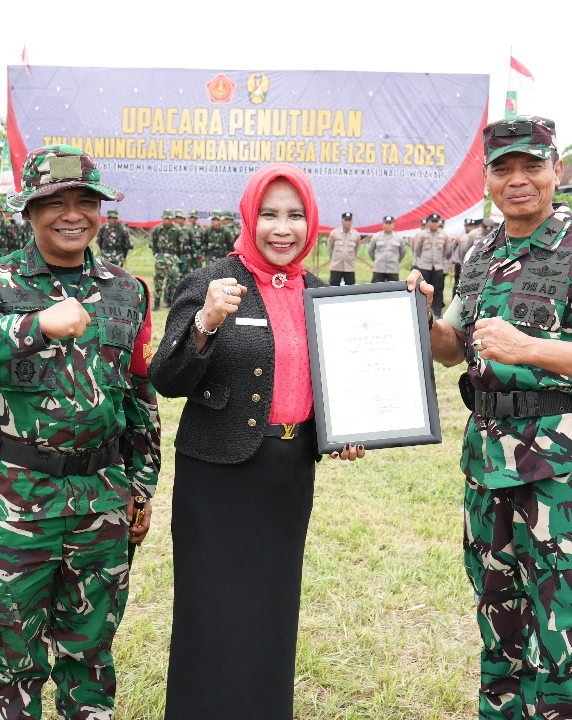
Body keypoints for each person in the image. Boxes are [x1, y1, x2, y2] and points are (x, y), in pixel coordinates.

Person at [416, 115, 572, 719]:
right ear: (488, 178)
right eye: (503, 168)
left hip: (560, 475)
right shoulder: (481, 254)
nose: (518, 180)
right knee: (501, 631)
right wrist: (421, 318)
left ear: (557, 170)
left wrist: (529, 347)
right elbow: (454, 348)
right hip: (486, 466)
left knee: (562, 637)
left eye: (532, 166)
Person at [0, 143, 159, 720]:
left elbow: (138, 395)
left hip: (101, 498)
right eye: (55, 202)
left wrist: (142, 486)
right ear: (29, 210)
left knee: (91, 649)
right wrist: (33, 326)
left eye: (86, 202)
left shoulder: (126, 290)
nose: (72, 215)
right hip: (17, 500)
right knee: (12, 649)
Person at [150, 162, 363, 720]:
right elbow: (166, 378)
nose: (282, 228)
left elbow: (329, 383)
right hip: (217, 478)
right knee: (211, 611)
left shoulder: (320, 294)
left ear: (311, 222)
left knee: (271, 610)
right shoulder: (212, 282)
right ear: (249, 216)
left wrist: (345, 431)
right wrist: (205, 322)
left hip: (287, 475)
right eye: (269, 214)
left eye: (295, 215)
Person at [412, 212, 455, 317]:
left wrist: (440, 258)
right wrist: (422, 259)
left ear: (439, 222)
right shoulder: (422, 234)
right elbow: (417, 249)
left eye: (436, 221)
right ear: (428, 222)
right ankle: (423, 311)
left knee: (438, 289)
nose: (434, 224)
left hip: (438, 267)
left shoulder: (444, 235)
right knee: (423, 289)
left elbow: (448, 250)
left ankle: (437, 312)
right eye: (432, 221)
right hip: (424, 266)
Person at [149, 209, 182, 310]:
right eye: (166, 218)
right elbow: (152, 242)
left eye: (169, 219)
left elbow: (181, 244)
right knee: (158, 280)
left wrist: (177, 256)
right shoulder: (157, 229)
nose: (167, 221)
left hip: (173, 258)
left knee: (173, 280)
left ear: (172, 219)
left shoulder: (177, 230)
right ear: (163, 219)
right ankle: (157, 302)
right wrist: (156, 252)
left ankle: (169, 300)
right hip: (161, 257)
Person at [367, 215, 408, 282]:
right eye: (386, 223)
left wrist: (396, 260)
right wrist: (377, 260)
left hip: (393, 269)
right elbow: (370, 250)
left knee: (393, 288)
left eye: (390, 223)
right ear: (383, 225)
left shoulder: (399, 238)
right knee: (376, 287)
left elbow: (403, 252)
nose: (388, 225)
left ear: (393, 225)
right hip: (379, 268)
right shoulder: (376, 236)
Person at [326, 211, 361, 286]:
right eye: (346, 220)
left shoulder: (356, 235)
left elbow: (356, 250)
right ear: (342, 221)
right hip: (336, 266)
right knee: (333, 288)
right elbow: (330, 249)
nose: (347, 222)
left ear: (352, 222)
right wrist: (333, 259)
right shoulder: (334, 233)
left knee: (350, 289)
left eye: (349, 220)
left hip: (349, 267)